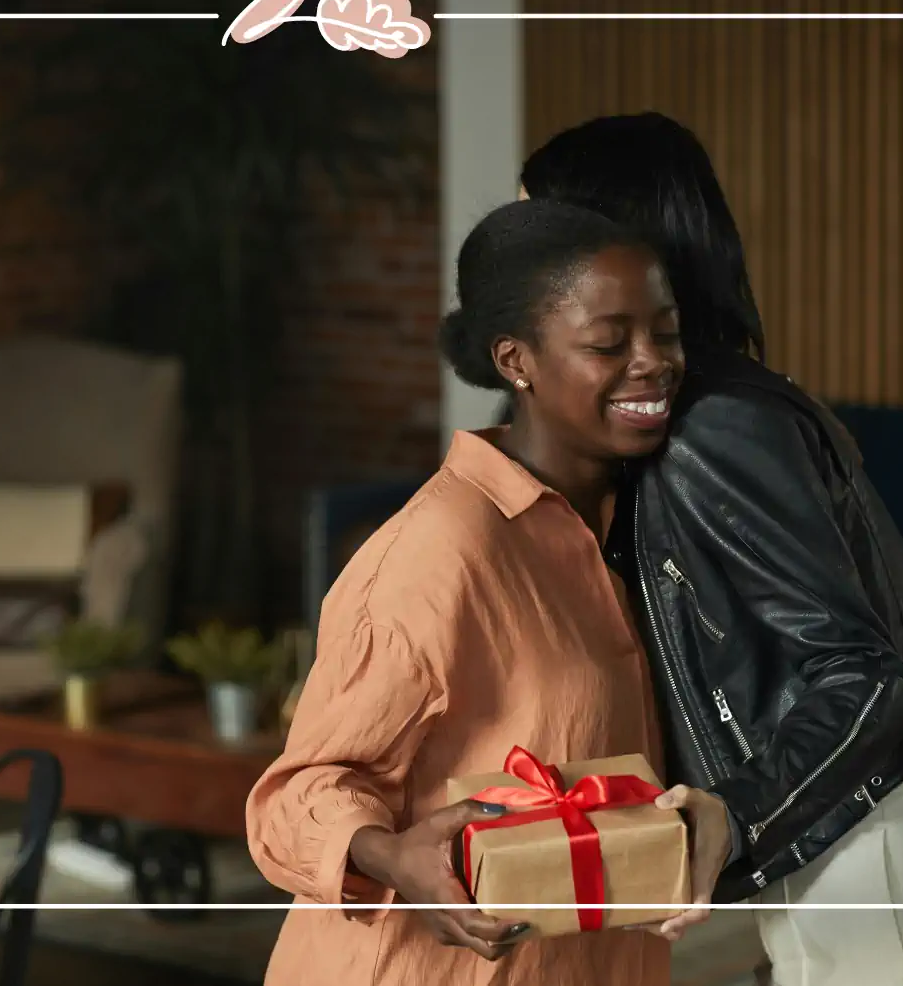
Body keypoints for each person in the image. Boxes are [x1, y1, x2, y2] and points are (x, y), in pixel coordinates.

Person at [519, 111, 903, 985]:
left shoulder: (716, 424)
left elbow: (868, 675)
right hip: (847, 870)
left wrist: (734, 818)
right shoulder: (678, 414)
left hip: (883, 878)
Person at [246, 200, 731, 986]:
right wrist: (392, 855)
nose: (652, 361)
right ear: (517, 361)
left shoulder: (654, 521)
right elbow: (296, 794)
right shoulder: (434, 555)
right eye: (609, 343)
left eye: (665, 333)